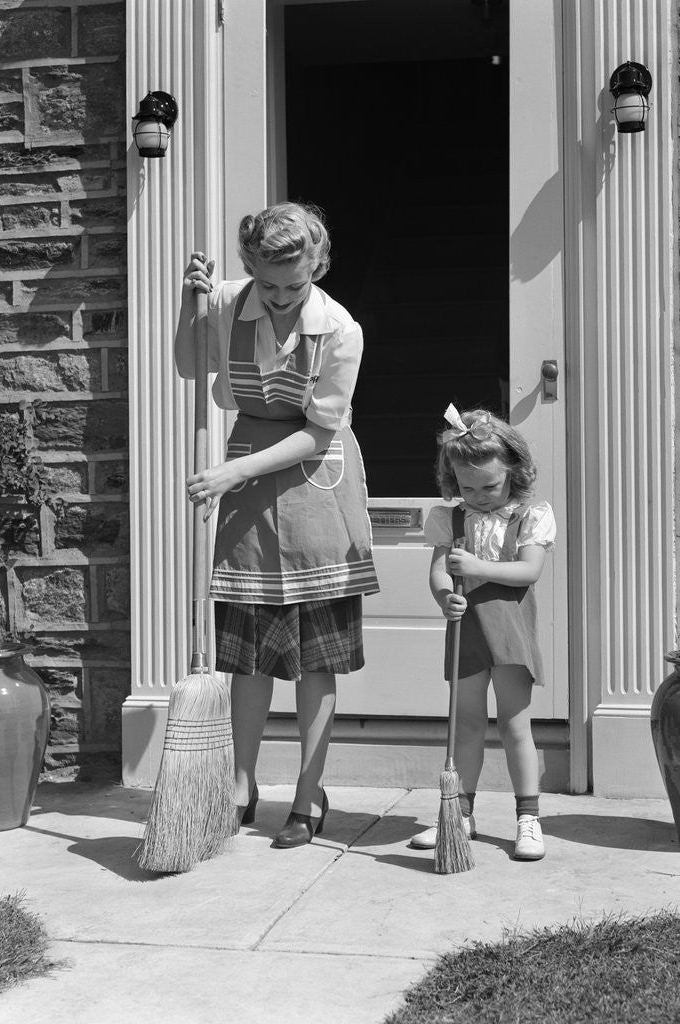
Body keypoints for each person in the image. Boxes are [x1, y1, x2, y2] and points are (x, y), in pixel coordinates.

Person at [174, 202, 379, 848]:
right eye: (268, 285)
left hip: (315, 481)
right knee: (249, 656)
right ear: (250, 269)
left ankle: (308, 792)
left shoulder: (340, 329)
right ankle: (241, 786)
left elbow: (318, 432)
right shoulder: (228, 302)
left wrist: (233, 472)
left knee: (315, 659)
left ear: (317, 265)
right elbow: (190, 366)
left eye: (295, 284)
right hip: (245, 489)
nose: (282, 298)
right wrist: (189, 303)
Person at [410, 403, 556, 860]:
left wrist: (477, 567)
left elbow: (529, 571)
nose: (478, 496)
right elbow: (438, 572)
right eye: (467, 487)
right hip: (466, 631)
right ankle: (459, 815)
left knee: (515, 724)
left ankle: (528, 818)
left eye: (489, 486)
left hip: (511, 632)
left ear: (514, 471)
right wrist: (444, 597)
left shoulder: (529, 516)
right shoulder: (450, 519)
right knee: (467, 723)